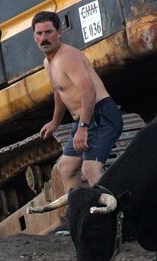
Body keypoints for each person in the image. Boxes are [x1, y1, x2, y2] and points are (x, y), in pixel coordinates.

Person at [34, 11, 123, 191]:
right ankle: (77, 215)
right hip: (85, 119)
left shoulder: (68, 56)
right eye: (40, 33)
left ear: (59, 32)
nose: (44, 38)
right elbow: (59, 92)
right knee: (65, 168)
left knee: (90, 169)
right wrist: (55, 122)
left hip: (100, 116)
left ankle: (115, 213)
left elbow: (88, 91)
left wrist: (83, 127)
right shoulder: (48, 62)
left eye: (49, 32)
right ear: (34, 36)